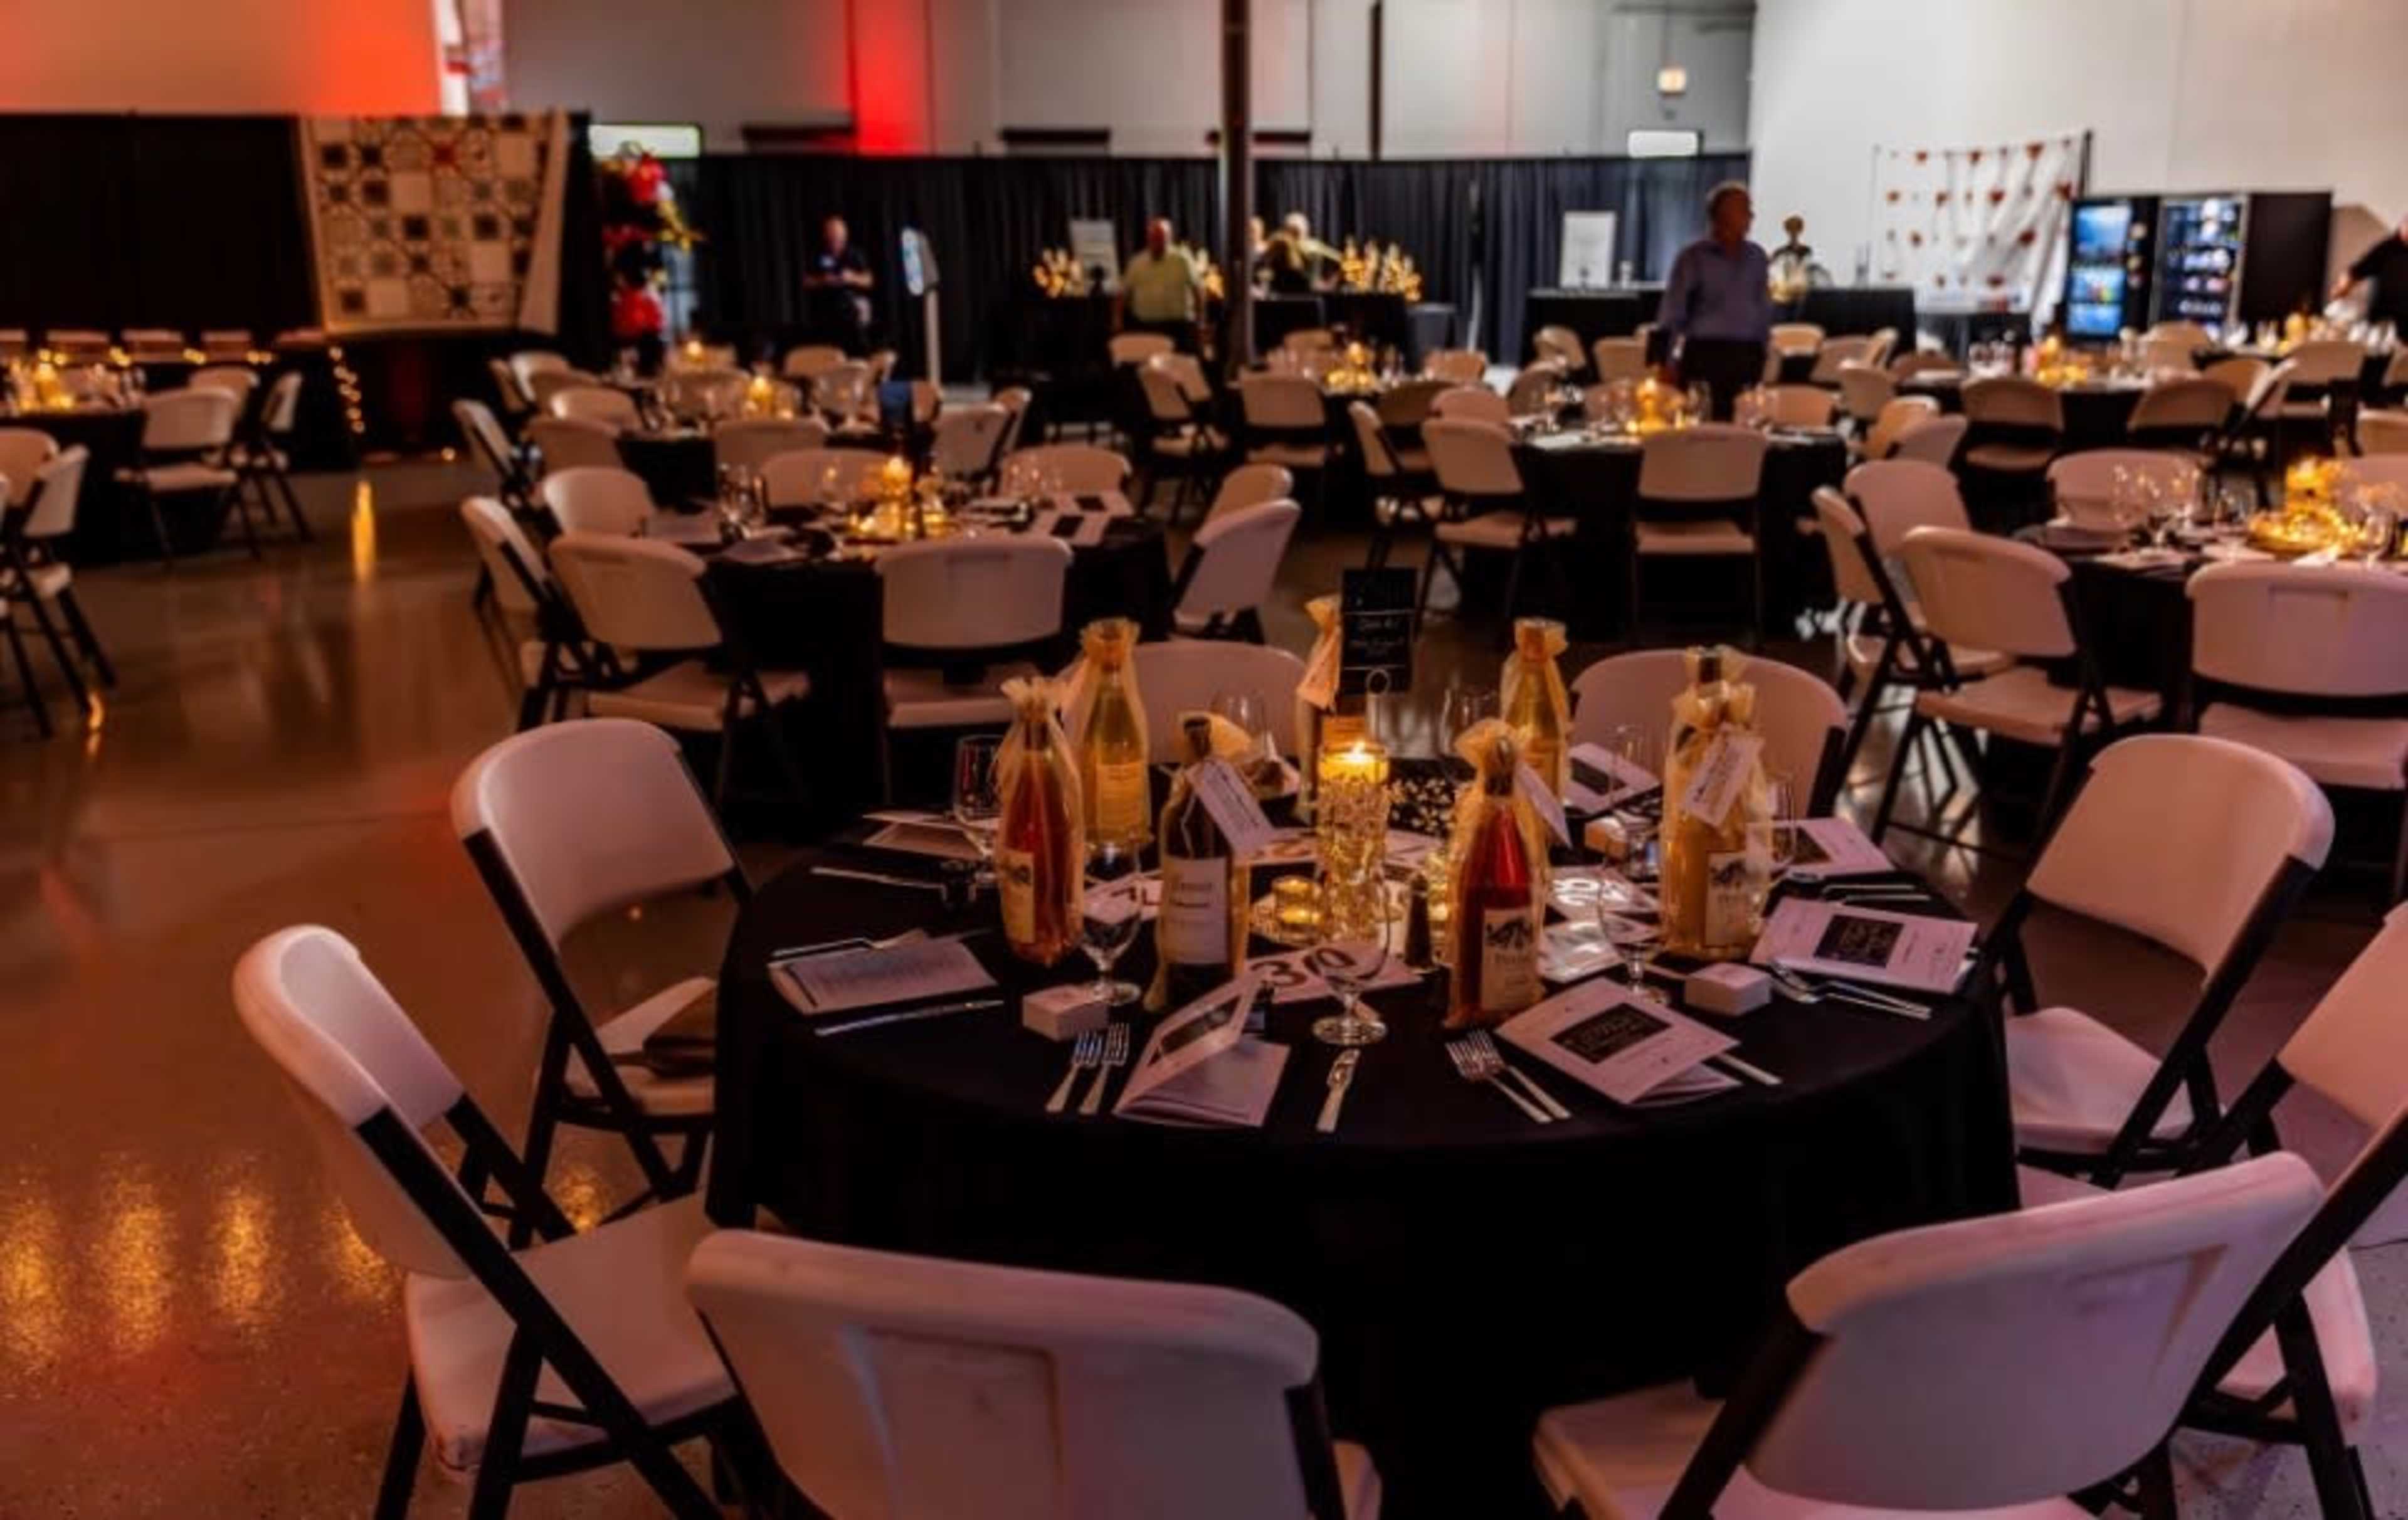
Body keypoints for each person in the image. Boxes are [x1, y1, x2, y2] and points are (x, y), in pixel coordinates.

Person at [1657, 181, 1773, 420]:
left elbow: (1762, 305)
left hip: (1747, 355)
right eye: (1744, 209)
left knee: (1744, 428)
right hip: (1705, 354)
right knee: (1702, 425)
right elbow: (1671, 312)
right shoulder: (1693, 257)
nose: (1751, 215)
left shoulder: (1757, 257)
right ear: (1721, 214)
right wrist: (1663, 362)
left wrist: (1764, 350)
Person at [1117, 217, 1203, 351]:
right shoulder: (1137, 262)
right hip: (1147, 327)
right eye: (1154, 237)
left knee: (1179, 367)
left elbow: (1198, 290)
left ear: (1169, 238)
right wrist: (1117, 320)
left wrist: (1200, 321)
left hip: (1178, 327)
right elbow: (1123, 294)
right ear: (1148, 239)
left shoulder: (1182, 260)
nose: (1157, 241)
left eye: (1161, 237)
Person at [804, 214, 875, 354]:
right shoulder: (818, 254)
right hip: (825, 310)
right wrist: (823, 280)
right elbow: (807, 282)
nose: (835, 238)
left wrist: (852, 278)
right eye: (831, 234)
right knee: (828, 350)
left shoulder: (854, 254)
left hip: (851, 309)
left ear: (845, 235)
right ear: (826, 235)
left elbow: (869, 280)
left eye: (838, 234)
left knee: (858, 345)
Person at [2332, 216, 2408, 331]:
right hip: (2381, 321)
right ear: (2402, 226)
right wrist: (2342, 287)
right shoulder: (2386, 249)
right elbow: (2356, 271)